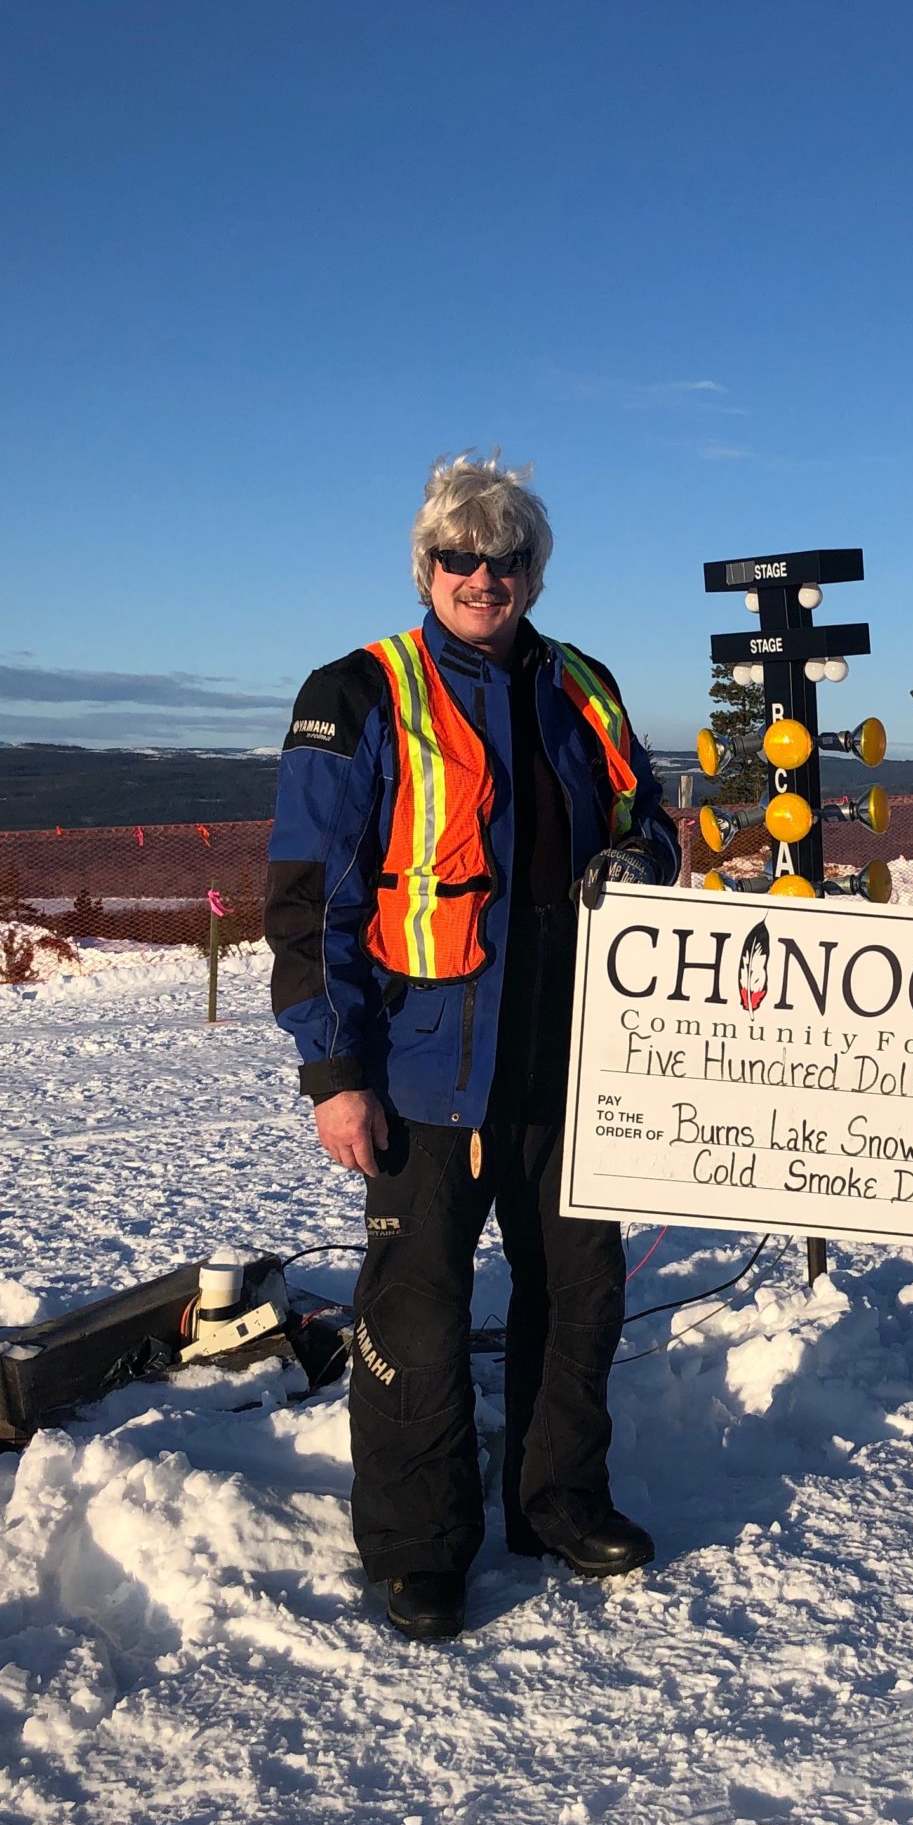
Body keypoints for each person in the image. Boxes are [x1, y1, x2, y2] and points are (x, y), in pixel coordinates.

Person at [267, 452, 680, 1640]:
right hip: (423, 1066)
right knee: (416, 1311)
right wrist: (334, 1072)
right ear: (427, 566)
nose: (481, 576)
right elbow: (308, 905)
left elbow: (646, 818)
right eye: (460, 556)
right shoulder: (357, 692)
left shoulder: (584, 686)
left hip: (571, 1058)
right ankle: (417, 1548)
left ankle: (557, 1501)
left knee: (579, 1294)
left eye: (505, 558)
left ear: (531, 572)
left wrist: (643, 859)